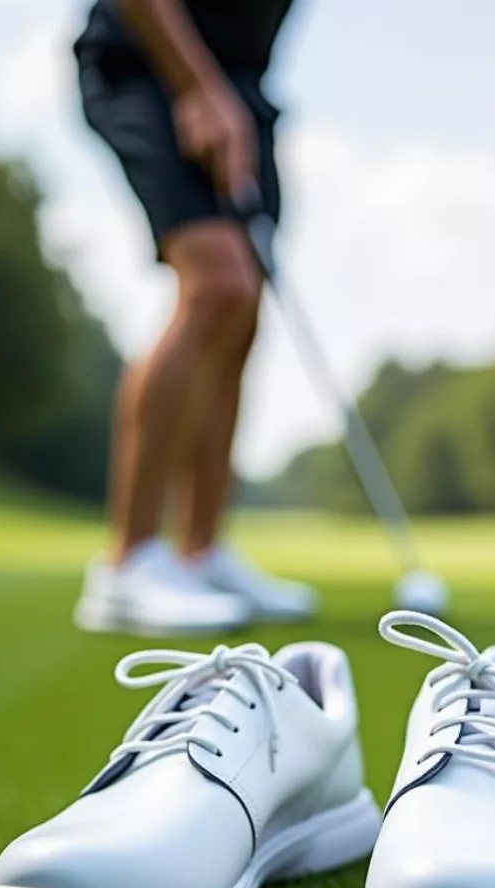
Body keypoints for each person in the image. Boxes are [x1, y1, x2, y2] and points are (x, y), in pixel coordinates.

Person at [72, 0, 317, 636]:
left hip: (240, 87)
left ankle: (200, 554)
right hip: (149, 60)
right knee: (216, 283)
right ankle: (125, 567)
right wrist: (197, 88)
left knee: (244, 307)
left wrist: (226, 93)